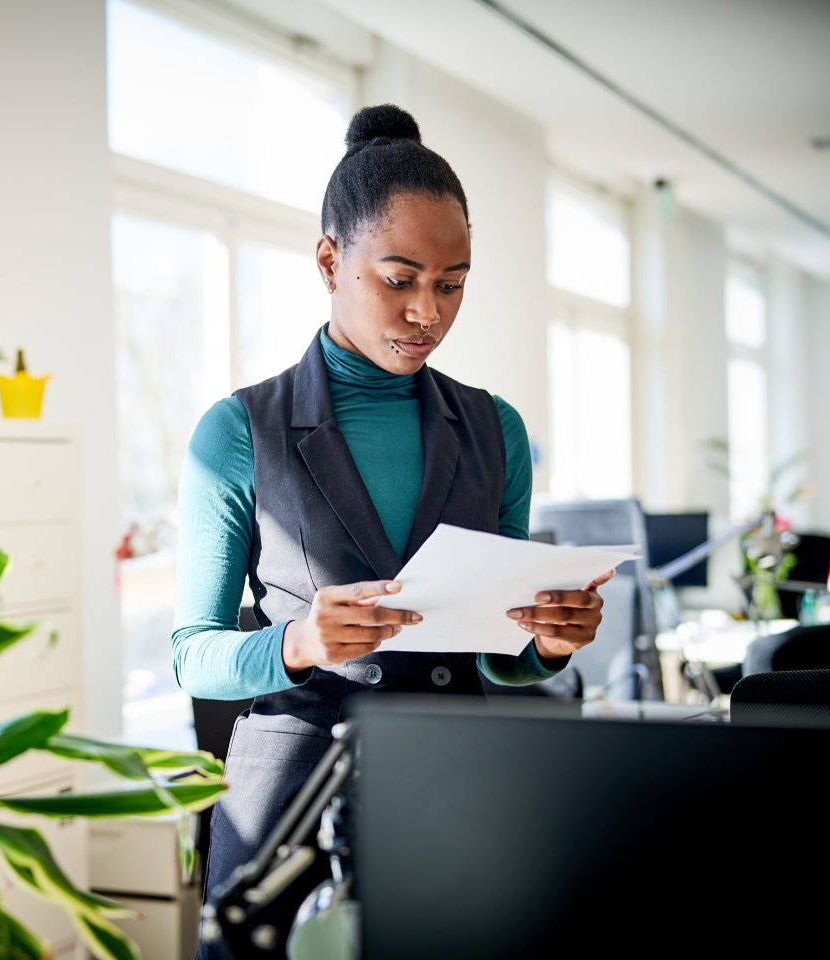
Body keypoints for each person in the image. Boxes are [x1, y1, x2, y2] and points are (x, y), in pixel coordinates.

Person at [173, 104, 615, 956]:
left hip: (457, 785)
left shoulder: (496, 430)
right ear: (331, 260)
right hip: (289, 797)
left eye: (451, 285)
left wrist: (550, 644)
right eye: (400, 279)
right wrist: (298, 642)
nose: (427, 313)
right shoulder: (238, 432)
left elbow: (504, 654)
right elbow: (193, 652)